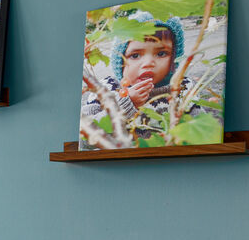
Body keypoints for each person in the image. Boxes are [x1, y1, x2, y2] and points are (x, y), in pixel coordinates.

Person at [82, 12, 215, 144]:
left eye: (161, 53)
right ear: (120, 61)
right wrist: (126, 104)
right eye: (135, 55)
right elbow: (85, 137)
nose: (148, 63)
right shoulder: (105, 89)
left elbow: (203, 131)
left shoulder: (182, 88)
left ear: (174, 58)